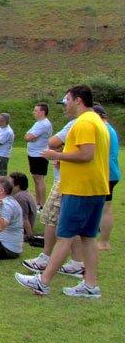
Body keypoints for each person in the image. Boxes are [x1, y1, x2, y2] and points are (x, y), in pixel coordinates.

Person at [15, 84, 109, 298]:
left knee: (64, 235)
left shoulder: (84, 123)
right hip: (94, 188)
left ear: (78, 100)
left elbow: (86, 154)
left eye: (67, 99)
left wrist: (57, 156)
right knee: (88, 237)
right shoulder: (96, 121)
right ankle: (90, 285)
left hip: (80, 189)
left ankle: (43, 281)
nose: (65, 104)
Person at [20, 104, 86, 276]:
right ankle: (75, 262)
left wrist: (58, 153)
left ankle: (48, 259)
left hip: (68, 181)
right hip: (69, 178)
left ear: (78, 101)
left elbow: (53, 142)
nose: (64, 108)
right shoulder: (85, 123)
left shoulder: (78, 123)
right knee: (69, 222)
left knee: (52, 218)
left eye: (66, 103)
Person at [93, 105, 119, 251]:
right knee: (103, 207)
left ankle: (104, 242)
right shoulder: (109, 129)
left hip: (106, 173)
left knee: (106, 208)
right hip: (110, 172)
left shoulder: (104, 130)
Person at [24, 103, 52, 206]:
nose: (34, 112)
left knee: (40, 179)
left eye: (36, 110)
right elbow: (27, 135)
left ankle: (42, 204)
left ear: (42, 112)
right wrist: (30, 137)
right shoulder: (38, 123)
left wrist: (31, 137)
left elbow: (29, 137)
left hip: (40, 154)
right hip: (33, 154)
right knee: (35, 178)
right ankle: (37, 202)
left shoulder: (44, 124)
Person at [10, 171, 37, 237]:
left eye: (10, 184)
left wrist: (30, 236)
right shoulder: (24, 192)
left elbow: (24, 219)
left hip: (18, 228)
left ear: (17, 187)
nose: (7, 185)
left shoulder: (20, 198)